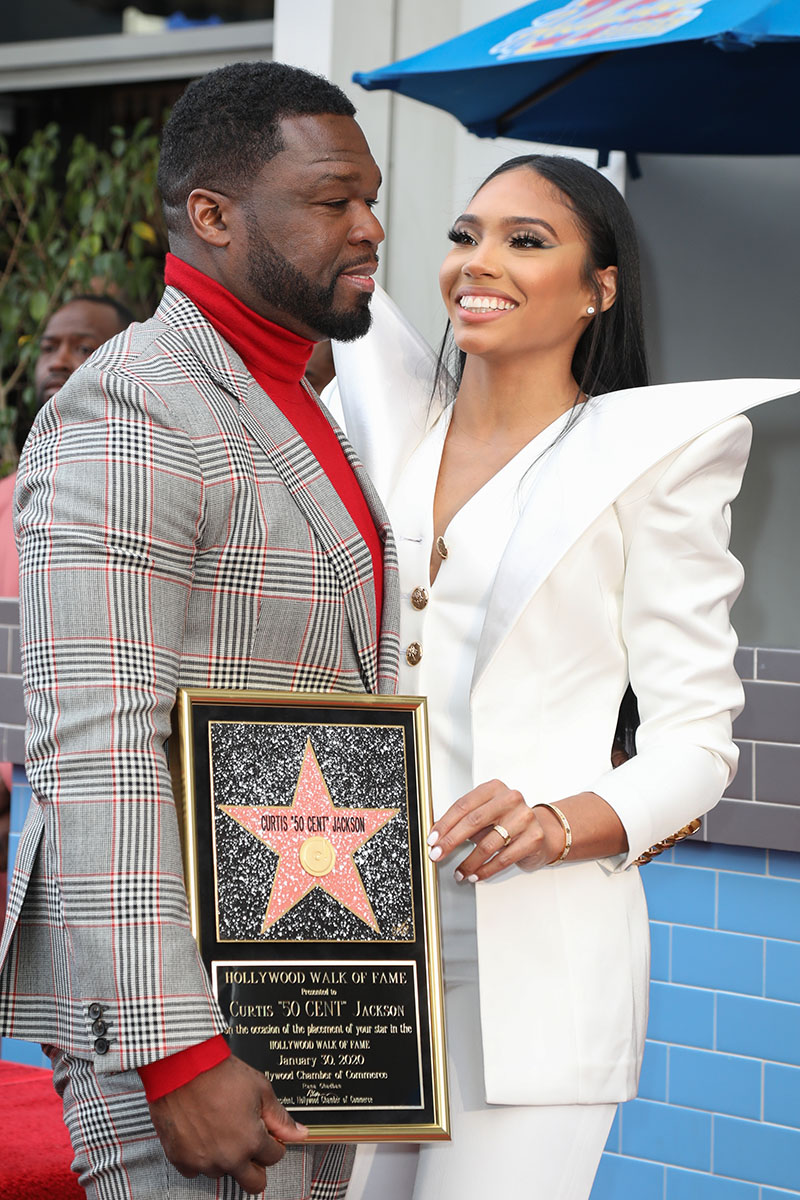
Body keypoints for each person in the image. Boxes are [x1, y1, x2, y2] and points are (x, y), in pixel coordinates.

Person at [332, 156, 799, 1199]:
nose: (477, 263)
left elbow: (694, 745)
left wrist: (553, 819)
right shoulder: (373, 429)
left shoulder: (654, 456)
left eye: (523, 240)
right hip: (343, 950)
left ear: (600, 288)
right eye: (463, 235)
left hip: (534, 965)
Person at [0, 61, 398, 1200]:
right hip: (185, 1008)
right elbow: (98, 741)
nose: (369, 228)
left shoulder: (288, 396)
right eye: (332, 201)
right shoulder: (133, 407)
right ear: (213, 217)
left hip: (309, 965)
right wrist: (175, 1047)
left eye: (368, 197)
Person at [0, 296, 133, 888]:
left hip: (115, 805)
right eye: (50, 346)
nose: (60, 361)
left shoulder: (147, 496)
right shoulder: (5, 500)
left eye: (83, 347)